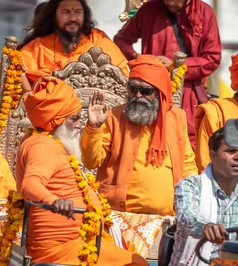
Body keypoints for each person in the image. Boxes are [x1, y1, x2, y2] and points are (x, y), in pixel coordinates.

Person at [16, 76, 147, 265]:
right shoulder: (42, 146)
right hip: (60, 249)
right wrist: (54, 201)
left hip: (75, 242)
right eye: (75, 119)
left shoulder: (47, 142)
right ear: (55, 121)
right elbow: (30, 184)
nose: (79, 124)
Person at [114, 0, 222, 146]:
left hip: (189, 92)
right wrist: (141, 60)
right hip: (150, 91)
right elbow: (121, 40)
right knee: (146, 136)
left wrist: (176, 65)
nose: (170, 2)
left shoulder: (205, 13)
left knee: (186, 140)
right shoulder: (150, 9)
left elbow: (212, 58)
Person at [81, 55, 197, 216]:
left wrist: (191, 201)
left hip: (167, 216)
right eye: (133, 89)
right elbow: (91, 162)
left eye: (145, 91)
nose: (137, 96)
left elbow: (187, 163)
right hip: (120, 214)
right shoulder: (113, 117)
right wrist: (93, 127)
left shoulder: (177, 118)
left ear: (159, 93)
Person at [170, 127, 238, 266]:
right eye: (231, 151)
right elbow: (186, 216)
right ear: (212, 155)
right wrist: (204, 227)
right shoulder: (190, 185)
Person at [20, 0, 129, 91]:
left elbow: (124, 76)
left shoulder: (98, 39)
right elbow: (20, 78)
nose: (73, 18)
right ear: (53, 16)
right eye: (66, 12)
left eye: (78, 12)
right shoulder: (37, 48)